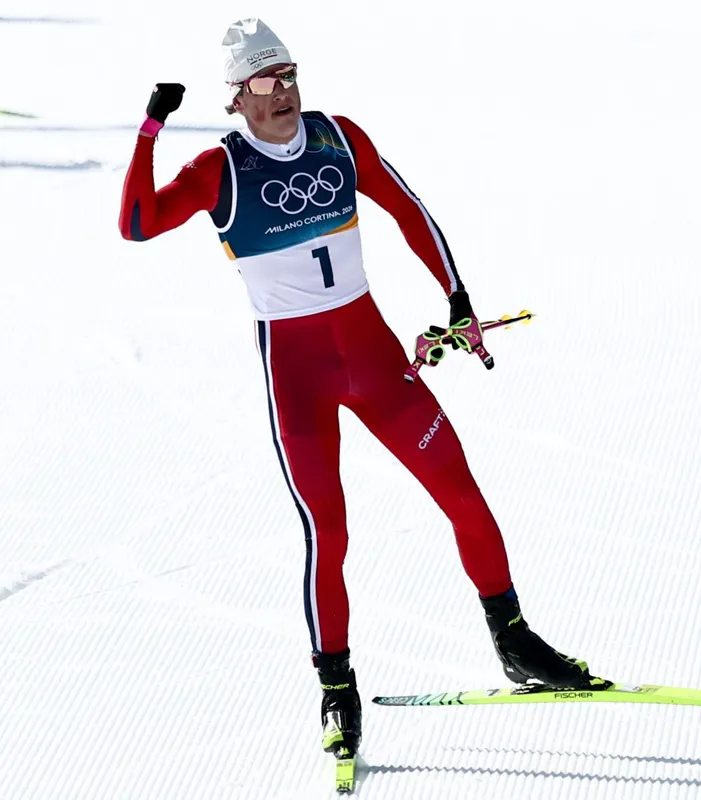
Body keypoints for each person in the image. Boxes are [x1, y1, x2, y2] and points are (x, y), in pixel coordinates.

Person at [118, 17, 606, 760]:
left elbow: (408, 210)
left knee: (462, 494)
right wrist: (151, 125)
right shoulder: (219, 170)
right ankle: (336, 690)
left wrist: (457, 299)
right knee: (330, 535)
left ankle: (514, 640)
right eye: (261, 82)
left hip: (375, 360)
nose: (280, 93)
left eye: (287, 75)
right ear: (235, 98)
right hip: (299, 378)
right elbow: (135, 223)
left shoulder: (335, 137)